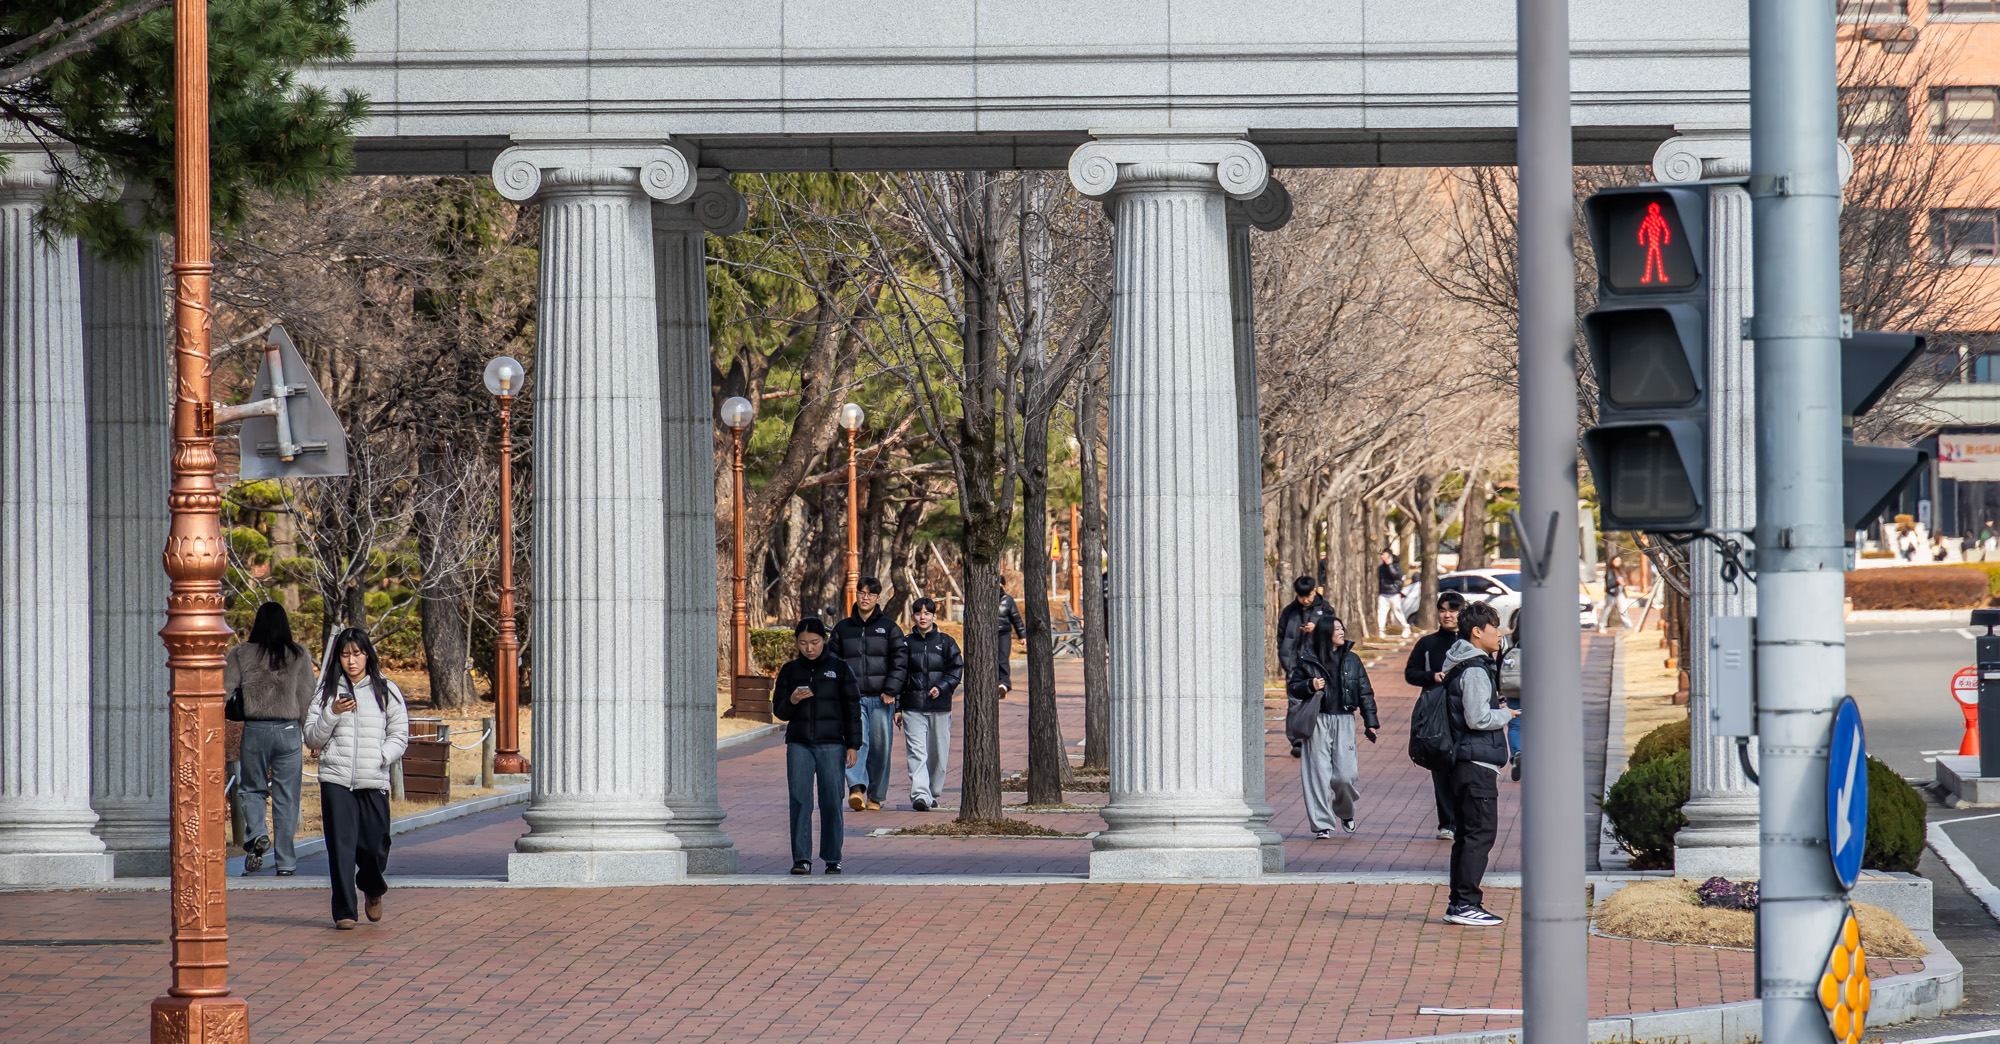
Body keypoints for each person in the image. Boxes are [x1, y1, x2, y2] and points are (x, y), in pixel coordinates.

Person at [304, 628, 409, 930]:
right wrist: (332, 712)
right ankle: (344, 911)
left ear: (367, 655)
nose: (351, 661)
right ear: (338, 658)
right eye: (345, 654)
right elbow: (312, 738)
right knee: (341, 848)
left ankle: (372, 888)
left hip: (373, 779)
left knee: (376, 846)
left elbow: (400, 733)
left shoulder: (386, 689)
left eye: (357, 653)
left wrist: (382, 757)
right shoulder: (326, 692)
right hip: (336, 780)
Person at [226, 602, 318, 876]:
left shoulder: (241, 653)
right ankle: (286, 862)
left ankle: (257, 833)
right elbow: (307, 697)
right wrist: (312, 738)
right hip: (288, 731)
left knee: (251, 789)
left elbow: (223, 690)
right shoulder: (299, 654)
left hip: (255, 730)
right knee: (287, 797)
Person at [1439, 601, 1514, 927]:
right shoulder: (1474, 670)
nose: (1500, 633)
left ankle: (1459, 903)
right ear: (1477, 632)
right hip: (1475, 763)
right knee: (1480, 834)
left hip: (1464, 762)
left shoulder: (1462, 664)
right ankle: (1466, 903)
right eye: (1495, 627)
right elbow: (1478, 718)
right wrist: (1506, 714)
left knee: (1468, 835)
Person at [772, 617, 861, 874]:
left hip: (832, 744)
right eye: (803, 643)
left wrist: (853, 745)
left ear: (824, 640)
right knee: (800, 800)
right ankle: (801, 859)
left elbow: (852, 709)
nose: (809, 648)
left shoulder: (839, 668)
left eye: (814, 642)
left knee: (831, 800)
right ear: (796, 643)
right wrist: (792, 700)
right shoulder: (790, 670)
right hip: (799, 744)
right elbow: (780, 711)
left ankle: (833, 857)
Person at [1286, 617, 1378, 839]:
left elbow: (1365, 691)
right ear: (1325, 633)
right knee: (1317, 774)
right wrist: (1310, 685)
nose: (1341, 632)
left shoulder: (1352, 659)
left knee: (1346, 775)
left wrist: (1371, 722)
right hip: (1317, 720)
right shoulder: (1308, 659)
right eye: (1336, 629)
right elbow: (1293, 688)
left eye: (1341, 628)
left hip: (1344, 720)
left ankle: (1346, 812)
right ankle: (1322, 824)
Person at [832, 577, 908, 812]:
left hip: (881, 698)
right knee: (856, 741)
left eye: (870, 594)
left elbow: (900, 662)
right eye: (861, 593)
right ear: (856, 595)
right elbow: (833, 662)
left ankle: (876, 795)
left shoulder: (889, 628)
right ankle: (856, 788)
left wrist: (891, 690)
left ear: (877, 598)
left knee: (880, 748)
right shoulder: (842, 629)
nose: (865, 597)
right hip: (852, 699)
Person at [1405, 591, 1467, 841]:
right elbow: (1411, 673)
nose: (1447, 615)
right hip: (1435, 711)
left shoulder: (1470, 642)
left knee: (1464, 764)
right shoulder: (1427, 644)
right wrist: (1432, 676)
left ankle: (1464, 819)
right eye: (1442, 610)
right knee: (1440, 764)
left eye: (1453, 610)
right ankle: (1447, 823)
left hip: (1465, 710)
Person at [899, 598, 962, 811]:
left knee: (938, 755)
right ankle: (920, 795)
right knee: (917, 753)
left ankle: (932, 792)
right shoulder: (905, 644)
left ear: (934, 616)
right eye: (918, 613)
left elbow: (956, 670)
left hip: (940, 707)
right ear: (913, 616)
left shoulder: (946, 642)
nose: (922, 617)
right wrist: (898, 707)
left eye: (927, 613)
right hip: (912, 707)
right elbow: (898, 676)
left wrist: (941, 687)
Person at [1276, 576, 1336, 758]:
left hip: (1319, 663)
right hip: (1295, 664)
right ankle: (1297, 741)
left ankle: (1320, 739)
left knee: (1319, 700)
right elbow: (1281, 636)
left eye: (1308, 595)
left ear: (1314, 591)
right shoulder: (1290, 611)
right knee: (1295, 702)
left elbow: (1335, 631)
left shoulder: (1325, 609)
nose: (1305, 600)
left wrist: (1317, 628)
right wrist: (1286, 660)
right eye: (1301, 596)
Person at [1501, 609, 1524, 782]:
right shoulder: (1544, 639)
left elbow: (1499, 663)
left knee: (1515, 725)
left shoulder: (1508, 639)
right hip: (1537, 689)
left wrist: (1499, 689)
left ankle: (1517, 752)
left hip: (1512, 687)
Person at [997, 589, 1027, 698]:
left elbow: (1016, 618)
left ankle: (1003, 684)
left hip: (1004, 633)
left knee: (1003, 658)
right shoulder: (985, 597)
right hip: (988, 633)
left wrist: (1022, 635)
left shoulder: (1007, 600)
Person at [1376, 550, 1411, 638]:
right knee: (1381, 613)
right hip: (1383, 594)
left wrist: (1389, 564)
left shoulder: (1395, 565)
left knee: (1397, 612)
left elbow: (1396, 575)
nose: (1383, 557)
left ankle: (1406, 628)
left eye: (1384, 555)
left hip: (1394, 593)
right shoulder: (1381, 568)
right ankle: (1381, 631)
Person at [1598, 555, 1631, 633]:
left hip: (1620, 592)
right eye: (1616, 561)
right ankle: (1601, 625)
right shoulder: (1609, 572)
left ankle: (1628, 626)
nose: (1618, 562)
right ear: (1612, 562)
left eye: (1619, 561)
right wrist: (1617, 582)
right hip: (1612, 593)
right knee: (1607, 609)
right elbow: (1609, 584)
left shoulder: (1619, 571)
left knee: (1623, 609)